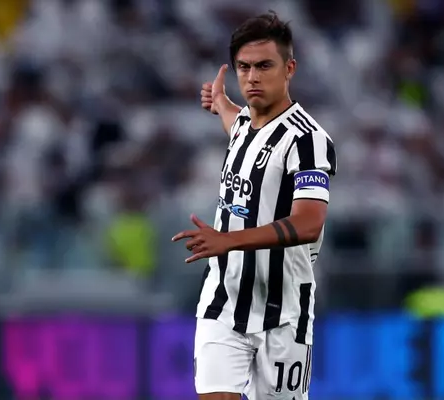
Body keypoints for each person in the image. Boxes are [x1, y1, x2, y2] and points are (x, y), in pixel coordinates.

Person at [172, 11, 337, 400]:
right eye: (244, 67)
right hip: (223, 302)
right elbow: (234, 120)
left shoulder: (308, 140)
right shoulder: (244, 125)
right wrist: (220, 102)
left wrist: (229, 241)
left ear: (289, 68)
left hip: (285, 314)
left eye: (264, 66)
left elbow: (309, 223)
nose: (252, 77)